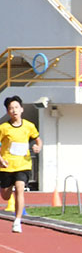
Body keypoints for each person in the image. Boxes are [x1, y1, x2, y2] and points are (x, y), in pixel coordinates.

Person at [0, 96, 42, 233]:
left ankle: (17, 221)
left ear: (22, 109)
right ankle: (6, 187)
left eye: (16, 107)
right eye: (11, 108)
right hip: (7, 165)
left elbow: (38, 140)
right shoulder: (3, 128)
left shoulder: (29, 126)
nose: (14, 110)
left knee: (20, 188)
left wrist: (38, 147)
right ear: (8, 111)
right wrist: (1, 159)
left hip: (23, 165)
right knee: (5, 196)